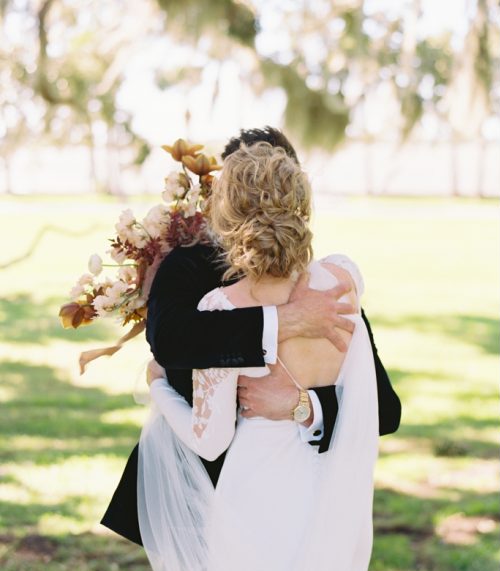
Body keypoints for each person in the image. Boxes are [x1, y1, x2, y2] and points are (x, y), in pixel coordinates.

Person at [124, 140, 378, 571]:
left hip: (252, 498)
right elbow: (367, 403)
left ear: (228, 217)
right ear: (302, 208)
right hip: (330, 494)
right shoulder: (342, 283)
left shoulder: (220, 306)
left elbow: (210, 439)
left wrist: (158, 388)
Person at [100, 126, 400, 546]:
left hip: (295, 502)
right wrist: (285, 320)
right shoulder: (188, 266)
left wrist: (301, 406)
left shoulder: (325, 288)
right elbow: (171, 341)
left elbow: (383, 408)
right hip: (193, 494)